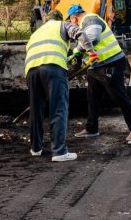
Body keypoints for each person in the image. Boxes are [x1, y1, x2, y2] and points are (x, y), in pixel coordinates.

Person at [67, 4, 131, 144]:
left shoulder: (90, 19)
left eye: (70, 21)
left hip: (111, 63)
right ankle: (92, 128)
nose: (72, 23)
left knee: (119, 96)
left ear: (74, 18)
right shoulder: (87, 21)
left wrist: (78, 49)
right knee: (92, 97)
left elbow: (93, 37)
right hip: (97, 65)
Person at [25, 13, 95, 162]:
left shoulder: (36, 32)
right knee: (58, 108)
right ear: (60, 18)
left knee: (36, 109)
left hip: (31, 71)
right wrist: (91, 51)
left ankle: (36, 148)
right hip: (53, 67)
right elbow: (80, 33)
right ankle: (59, 152)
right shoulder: (62, 25)